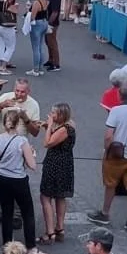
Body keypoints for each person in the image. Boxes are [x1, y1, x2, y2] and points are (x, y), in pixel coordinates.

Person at [0, 110, 44, 254]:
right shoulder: (22, 141)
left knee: (7, 211)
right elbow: (32, 165)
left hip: (1, 178)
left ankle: (7, 246)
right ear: (18, 123)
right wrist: (32, 154)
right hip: (18, 179)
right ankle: (30, 247)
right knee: (27, 212)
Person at [99, 82, 127, 232]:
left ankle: (105, 213)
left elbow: (108, 136)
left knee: (111, 183)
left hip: (117, 154)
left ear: (119, 96)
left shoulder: (116, 111)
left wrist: (107, 150)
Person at [38, 102, 76, 242]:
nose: (51, 115)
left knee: (45, 196)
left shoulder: (64, 129)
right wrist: (48, 126)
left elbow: (48, 143)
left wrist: (48, 128)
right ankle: (60, 228)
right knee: (60, 196)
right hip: (65, 163)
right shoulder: (69, 125)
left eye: (54, 113)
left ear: (61, 115)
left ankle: (49, 232)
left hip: (55, 164)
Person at [25, 0, 50, 76]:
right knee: (40, 46)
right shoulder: (46, 0)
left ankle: (35, 69)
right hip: (44, 22)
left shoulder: (36, 2)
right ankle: (40, 68)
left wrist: (28, 12)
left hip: (37, 24)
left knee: (35, 47)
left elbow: (33, 16)